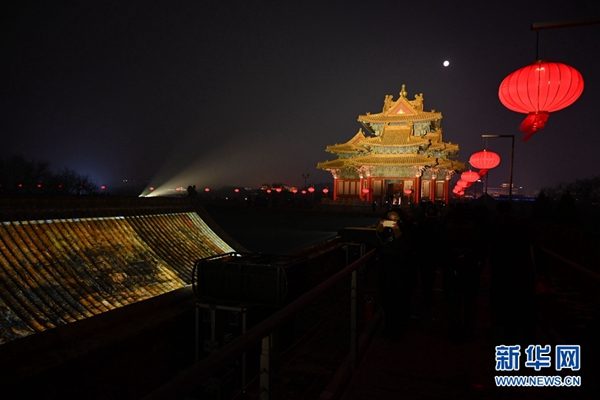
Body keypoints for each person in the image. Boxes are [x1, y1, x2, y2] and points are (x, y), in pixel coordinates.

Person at [373, 208, 417, 341]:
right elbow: (376, 245)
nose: (392, 222)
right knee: (385, 300)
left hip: (401, 271)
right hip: (385, 270)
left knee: (399, 301)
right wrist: (379, 230)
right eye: (390, 219)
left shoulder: (408, 230)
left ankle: (398, 330)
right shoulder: (384, 232)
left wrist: (397, 230)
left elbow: (407, 248)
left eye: (395, 219)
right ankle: (389, 327)